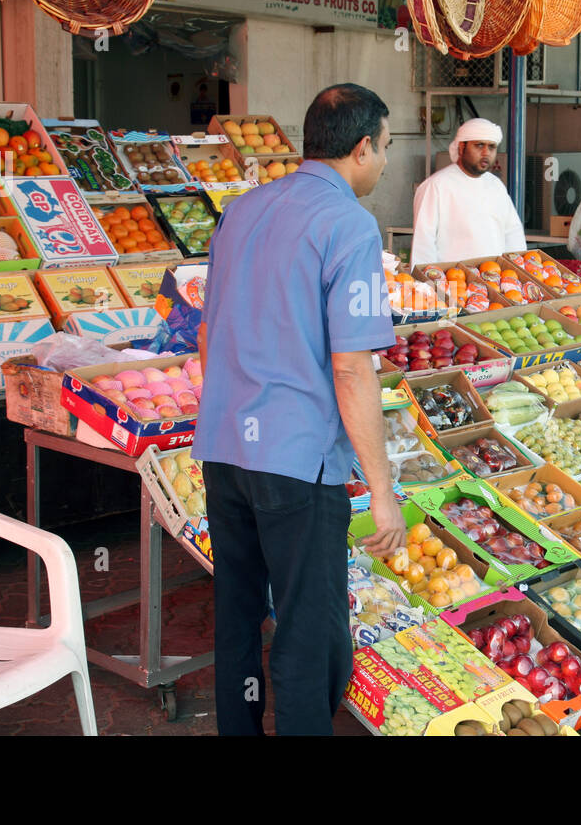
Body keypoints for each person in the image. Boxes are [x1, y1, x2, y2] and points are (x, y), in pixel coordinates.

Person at [193, 83, 406, 736]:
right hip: (297, 466)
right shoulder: (348, 225)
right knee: (306, 641)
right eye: (388, 148)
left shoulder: (243, 209)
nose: (388, 163)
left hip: (226, 452)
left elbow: (207, 333)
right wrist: (382, 487)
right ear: (363, 147)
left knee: (237, 623)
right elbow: (351, 365)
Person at [410, 118, 526, 266]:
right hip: (452, 282)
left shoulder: (496, 186)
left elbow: (513, 236)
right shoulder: (436, 186)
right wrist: (430, 284)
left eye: (491, 147)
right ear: (461, 147)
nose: (486, 153)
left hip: (496, 281)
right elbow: (423, 244)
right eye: (479, 145)